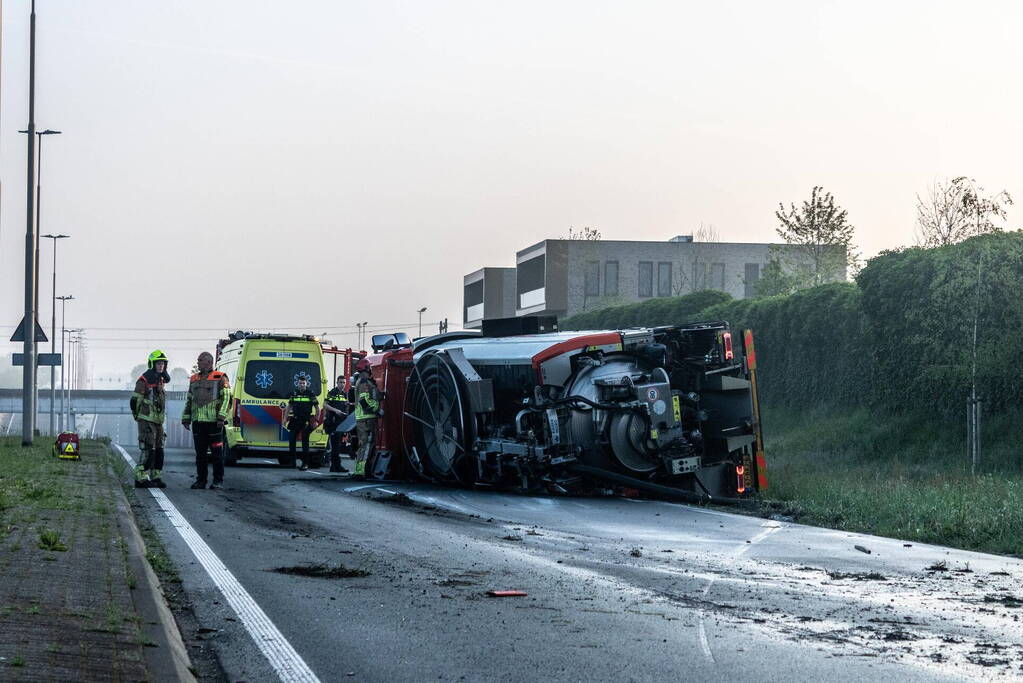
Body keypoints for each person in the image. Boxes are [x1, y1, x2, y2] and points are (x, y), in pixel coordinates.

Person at [181, 351, 232, 490]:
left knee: (216, 454)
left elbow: (227, 399)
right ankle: (201, 481)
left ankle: (217, 481)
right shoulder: (193, 379)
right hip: (198, 423)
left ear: (209, 362)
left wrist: (221, 417)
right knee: (200, 455)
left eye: (200, 360)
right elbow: (189, 400)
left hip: (214, 424)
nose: (198, 363)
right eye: (198, 360)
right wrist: (186, 418)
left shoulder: (220, 377)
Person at [130, 350, 170, 488]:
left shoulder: (161, 380)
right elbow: (135, 400)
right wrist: (137, 416)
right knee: (148, 449)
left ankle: (156, 476)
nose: (161, 366)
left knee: (159, 449)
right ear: (152, 364)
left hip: (158, 422)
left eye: (163, 363)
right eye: (158, 363)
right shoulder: (144, 380)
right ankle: (140, 477)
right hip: (146, 420)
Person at [353, 359, 381, 478]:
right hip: (367, 419)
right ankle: (361, 471)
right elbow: (364, 401)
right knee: (366, 445)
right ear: (366, 368)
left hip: (363, 418)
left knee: (364, 445)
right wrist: (377, 410)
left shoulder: (361, 381)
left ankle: (362, 470)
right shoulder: (364, 382)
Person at [284, 375, 319, 470]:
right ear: (297, 383)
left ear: (306, 384)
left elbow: (317, 408)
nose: (302, 385)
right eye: (300, 383)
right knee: (291, 441)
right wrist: (285, 418)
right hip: (295, 419)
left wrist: (316, 420)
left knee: (305, 442)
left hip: (306, 420)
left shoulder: (310, 393)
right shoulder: (294, 393)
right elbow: (289, 406)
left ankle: (305, 463)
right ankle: (292, 462)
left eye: (303, 383)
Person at [323, 375, 350, 473]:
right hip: (333, 422)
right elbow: (325, 405)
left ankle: (335, 466)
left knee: (338, 445)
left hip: (341, 422)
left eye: (344, 382)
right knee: (335, 445)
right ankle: (335, 466)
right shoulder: (332, 392)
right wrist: (336, 411)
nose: (342, 384)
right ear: (337, 383)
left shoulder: (345, 394)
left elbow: (346, 405)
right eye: (340, 382)